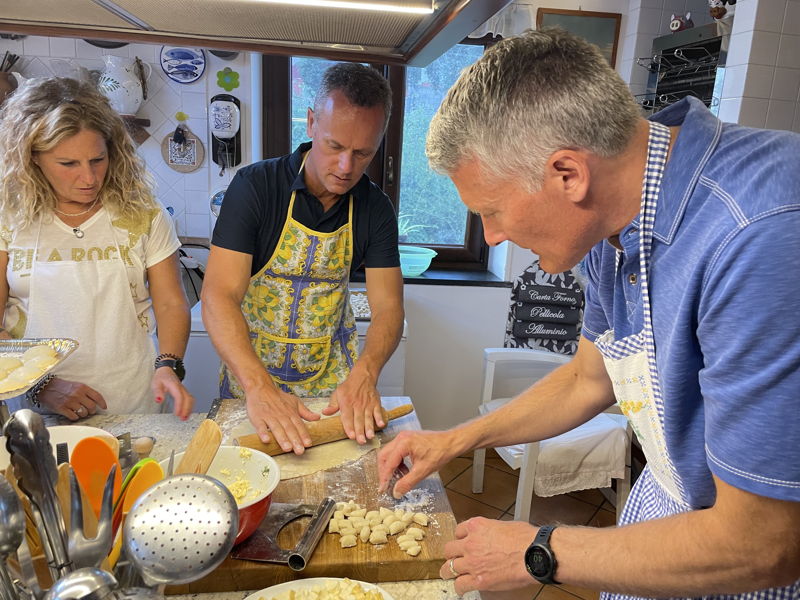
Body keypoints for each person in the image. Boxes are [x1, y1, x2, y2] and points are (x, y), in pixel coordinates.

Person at [378, 28, 800, 599]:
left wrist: (542, 550)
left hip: (745, 558)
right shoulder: (612, 226)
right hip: (674, 506)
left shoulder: (758, 233)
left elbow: (763, 545)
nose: (494, 234)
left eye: (492, 210)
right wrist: (454, 440)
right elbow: (587, 379)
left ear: (567, 174)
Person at [202, 62, 404, 455]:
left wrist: (366, 373)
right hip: (253, 385)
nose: (347, 168)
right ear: (311, 123)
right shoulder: (255, 188)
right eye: (335, 146)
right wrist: (259, 387)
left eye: (363, 153)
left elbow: (389, 307)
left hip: (332, 394)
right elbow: (218, 296)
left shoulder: (375, 208)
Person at [0, 77, 194, 420]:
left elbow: (170, 302)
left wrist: (169, 365)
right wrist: (43, 386)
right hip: (37, 410)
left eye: (97, 159)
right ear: (32, 158)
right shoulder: (9, 217)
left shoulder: (143, 214)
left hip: (133, 400)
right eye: (68, 164)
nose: (89, 178)